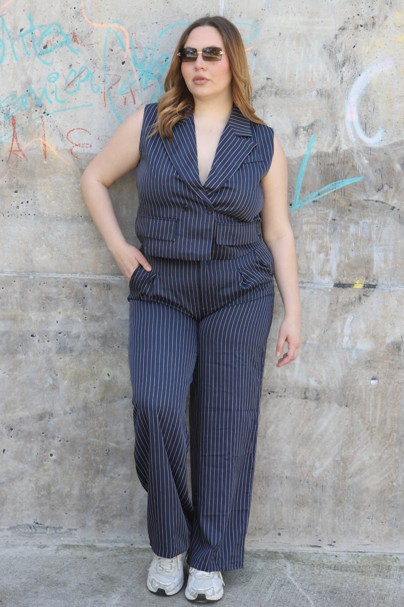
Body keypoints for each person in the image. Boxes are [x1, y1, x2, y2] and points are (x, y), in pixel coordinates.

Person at [81, 14, 300, 603]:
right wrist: (121, 250)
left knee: (227, 422)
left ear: (233, 62)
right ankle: (170, 542)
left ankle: (210, 557)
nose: (198, 65)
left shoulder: (261, 142)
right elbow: (95, 179)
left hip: (240, 292)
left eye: (211, 54)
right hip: (163, 288)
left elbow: (278, 232)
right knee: (156, 405)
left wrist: (294, 313)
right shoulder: (152, 124)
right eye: (189, 54)